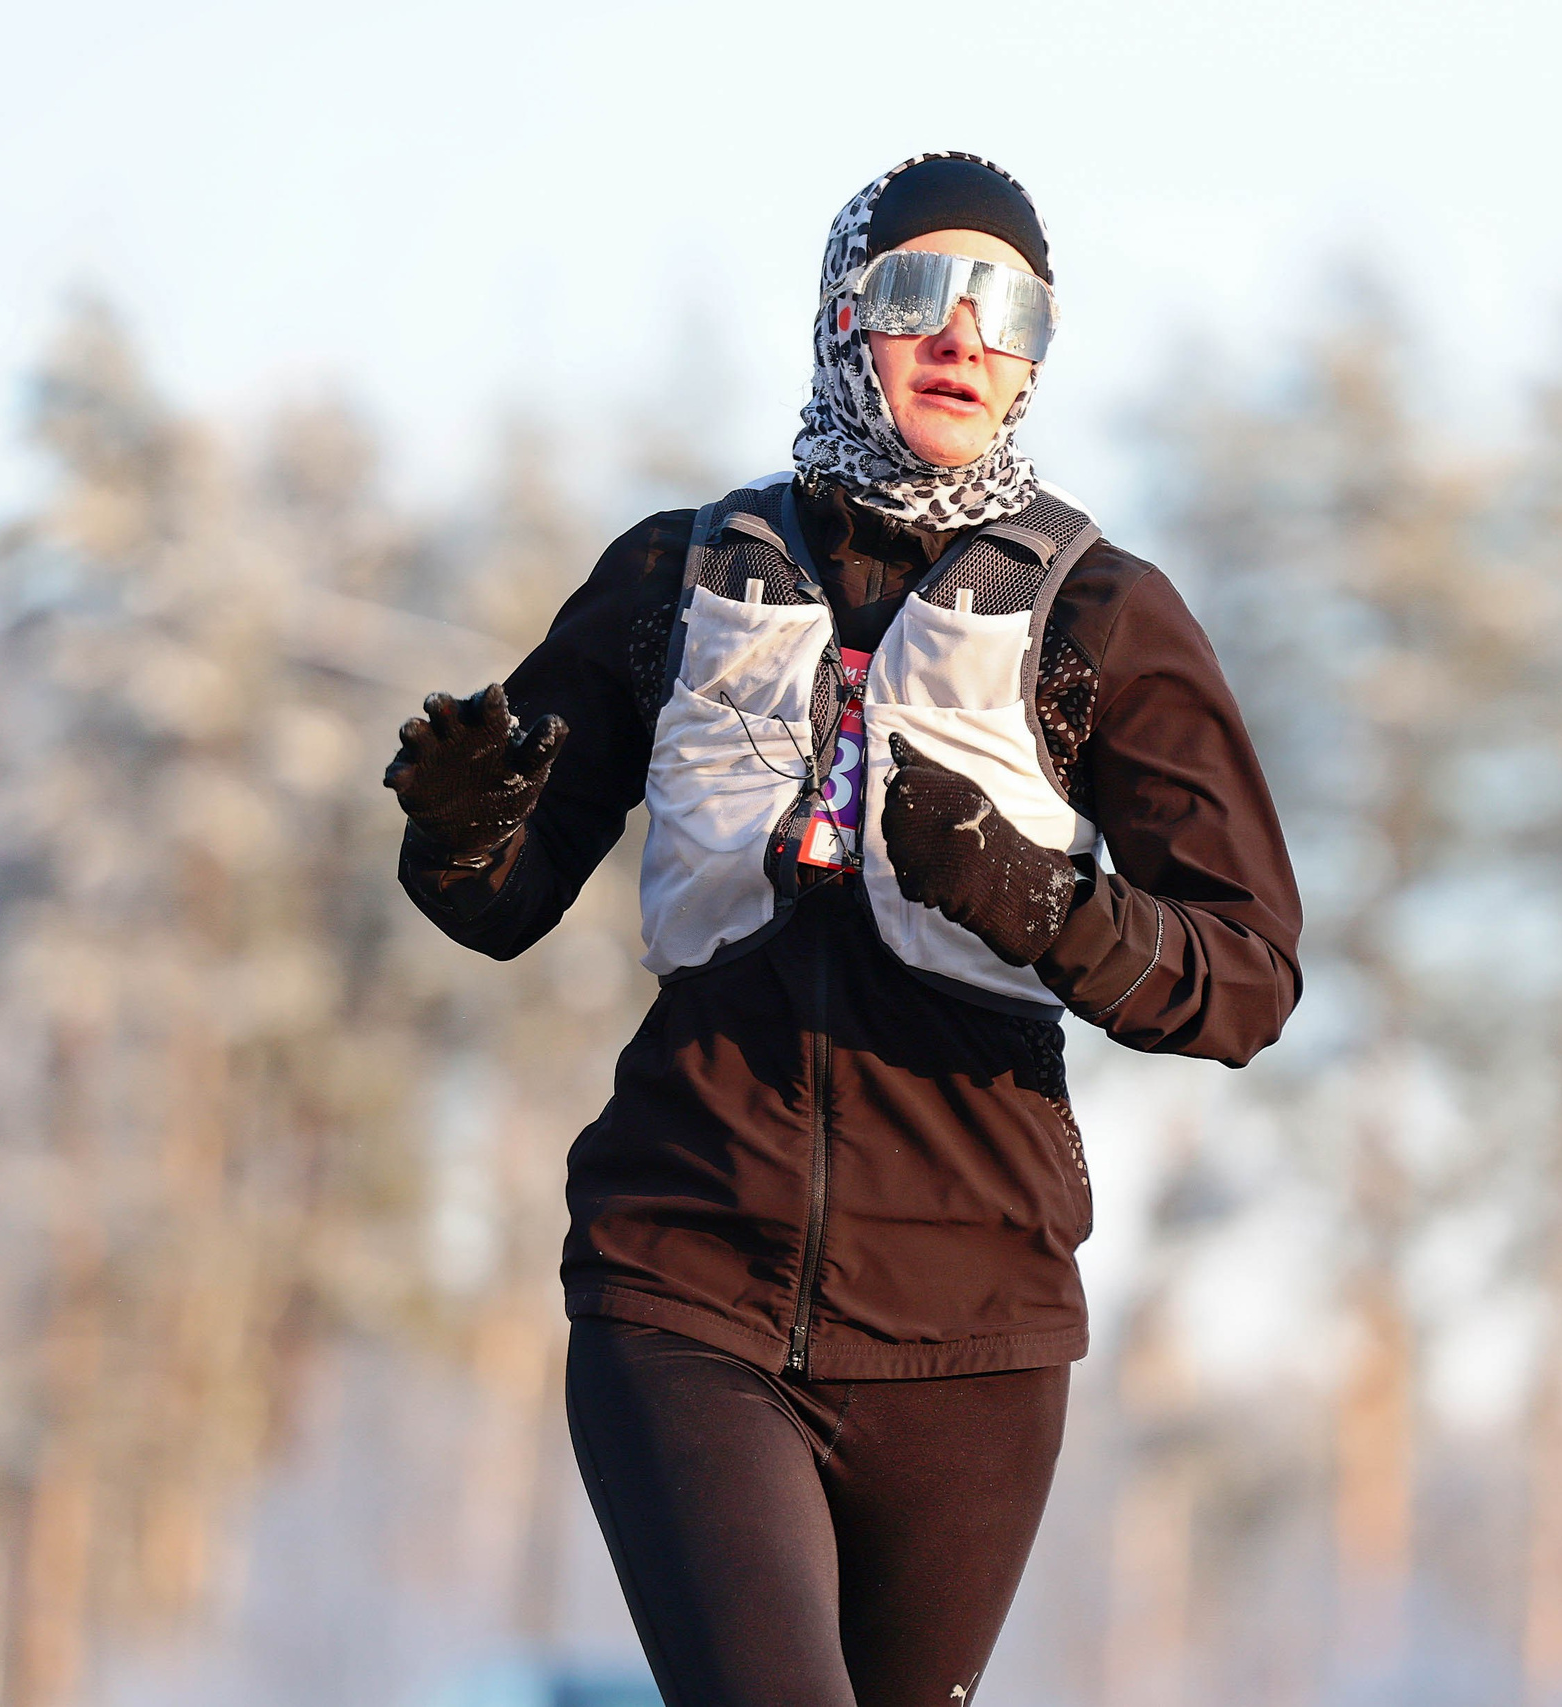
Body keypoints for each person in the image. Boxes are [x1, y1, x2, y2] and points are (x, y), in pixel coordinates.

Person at [384, 152, 1301, 1707]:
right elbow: (498, 902)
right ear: (839, 318)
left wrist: (1034, 895)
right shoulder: (677, 579)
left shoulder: (1099, 614)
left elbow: (1246, 978)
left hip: (974, 1332)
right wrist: (458, 824)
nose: (963, 336)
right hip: (684, 1282)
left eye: (1007, 308)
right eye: (918, 293)